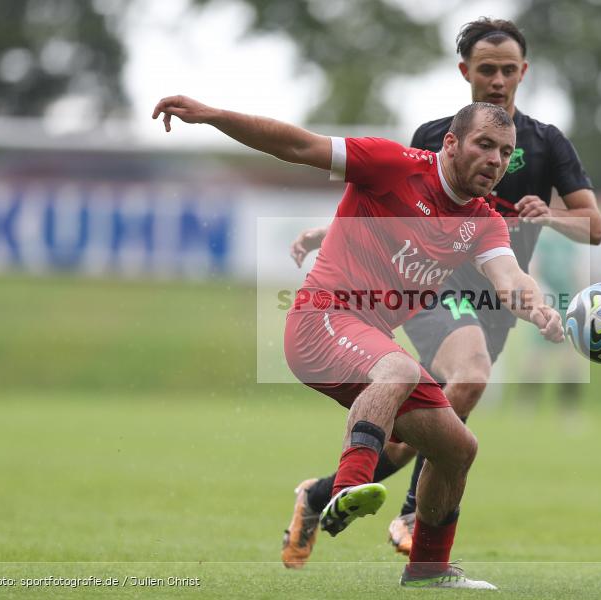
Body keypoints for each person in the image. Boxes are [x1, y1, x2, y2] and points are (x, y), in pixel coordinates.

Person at [153, 95, 564, 588]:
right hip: (319, 320)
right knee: (402, 368)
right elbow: (298, 145)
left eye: (504, 151)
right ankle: (347, 489)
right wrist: (213, 116)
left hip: (369, 342)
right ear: (451, 143)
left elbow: (510, 279)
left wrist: (537, 307)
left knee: (458, 447)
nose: (495, 160)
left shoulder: (482, 220)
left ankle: (428, 571)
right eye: (484, 145)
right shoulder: (391, 164)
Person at [285, 16, 601, 565]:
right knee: (470, 374)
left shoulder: (548, 142)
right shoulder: (435, 135)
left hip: (499, 294)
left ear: (524, 72)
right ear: (466, 72)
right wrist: (328, 232)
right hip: (434, 288)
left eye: (508, 70)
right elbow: (391, 204)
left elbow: (593, 226)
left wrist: (548, 215)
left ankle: (319, 493)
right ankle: (410, 516)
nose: (499, 80)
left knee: (430, 424)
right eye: (487, 70)